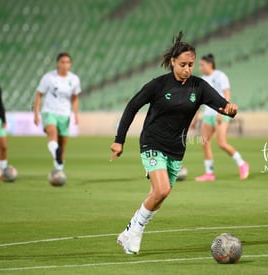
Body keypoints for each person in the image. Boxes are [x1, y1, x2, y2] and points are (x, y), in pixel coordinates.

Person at [110, 32, 238, 255]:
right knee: (162, 189)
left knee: (159, 196)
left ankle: (127, 233)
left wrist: (230, 109)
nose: (188, 69)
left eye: (191, 64)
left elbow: (221, 104)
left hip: (176, 149)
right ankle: (135, 231)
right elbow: (132, 106)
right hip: (152, 142)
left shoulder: (199, 87)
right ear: (172, 62)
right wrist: (119, 140)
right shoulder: (158, 85)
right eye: (183, 64)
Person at [194, 54, 249, 181]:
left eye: (202, 65)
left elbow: (227, 95)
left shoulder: (220, 76)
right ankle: (209, 173)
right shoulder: (202, 80)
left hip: (220, 114)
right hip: (208, 115)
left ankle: (242, 163)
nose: (200, 67)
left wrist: (222, 112)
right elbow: (198, 101)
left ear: (209, 64)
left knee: (222, 143)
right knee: (204, 142)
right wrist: (195, 118)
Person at [34, 53, 81, 173]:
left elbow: (75, 97)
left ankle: (58, 170)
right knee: (52, 132)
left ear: (70, 64)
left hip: (65, 114)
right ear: (57, 63)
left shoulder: (74, 79)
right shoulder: (49, 77)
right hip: (49, 111)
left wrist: (75, 114)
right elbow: (39, 94)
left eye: (67, 62)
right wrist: (36, 113)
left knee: (63, 144)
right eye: (62, 62)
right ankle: (55, 150)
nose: (65, 65)